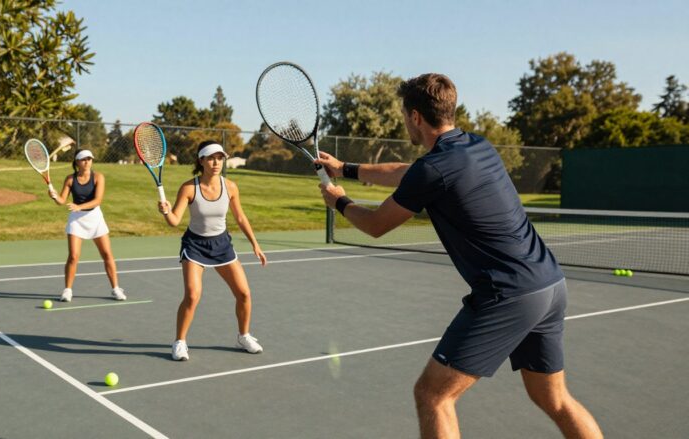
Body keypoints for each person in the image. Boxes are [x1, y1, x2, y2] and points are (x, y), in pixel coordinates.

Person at [316, 73, 603, 439]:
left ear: (416, 116)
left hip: (507, 294)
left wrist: (339, 201)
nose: (406, 122)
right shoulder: (478, 146)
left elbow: (375, 224)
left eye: (406, 115)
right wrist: (347, 169)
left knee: (433, 395)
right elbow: (408, 173)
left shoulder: (432, 168)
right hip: (548, 283)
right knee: (555, 399)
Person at [158, 141, 267, 361]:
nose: (216, 162)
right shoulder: (189, 188)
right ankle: (179, 342)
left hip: (222, 245)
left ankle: (244, 336)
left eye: (219, 157)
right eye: (210, 158)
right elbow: (175, 221)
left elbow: (240, 217)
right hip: (195, 246)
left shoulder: (231, 187)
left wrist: (255, 243)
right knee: (192, 295)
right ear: (201, 161)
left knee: (244, 293)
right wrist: (166, 211)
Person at [48, 149, 126, 303]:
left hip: (95, 217)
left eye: (89, 159)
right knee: (74, 256)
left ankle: (116, 288)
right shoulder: (70, 179)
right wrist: (55, 196)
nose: (87, 162)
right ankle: (67, 290)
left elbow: (98, 200)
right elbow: (62, 201)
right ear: (77, 162)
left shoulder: (98, 177)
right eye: (84, 159)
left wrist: (80, 207)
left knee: (107, 254)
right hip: (77, 220)